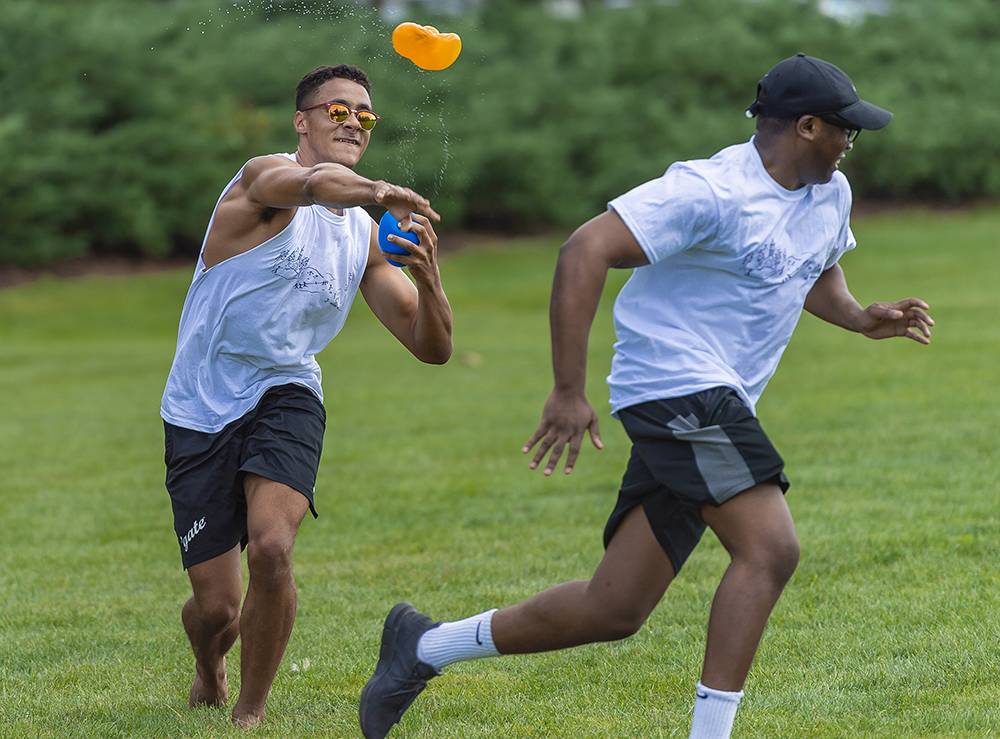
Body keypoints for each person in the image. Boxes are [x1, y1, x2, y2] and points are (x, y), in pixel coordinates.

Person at [358, 54, 934, 739]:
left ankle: (422, 647)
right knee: (771, 548)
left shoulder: (827, 194)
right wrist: (568, 390)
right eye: (845, 130)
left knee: (616, 606)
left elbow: (810, 268)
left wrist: (864, 317)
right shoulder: (707, 191)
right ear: (808, 126)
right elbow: (583, 250)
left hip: (716, 400)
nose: (850, 144)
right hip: (675, 386)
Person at [160, 63, 453, 728]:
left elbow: (429, 345)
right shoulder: (260, 181)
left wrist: (431, 281)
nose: (353, 122)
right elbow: (314, 183)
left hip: (287, 390)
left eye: (366, 116)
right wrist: (376, 190)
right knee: (217, 610)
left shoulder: (362, 240)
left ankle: (251, 711)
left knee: (271, 545)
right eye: (337, 110)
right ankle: (210, 665)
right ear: (303, 121)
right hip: (200, 404)